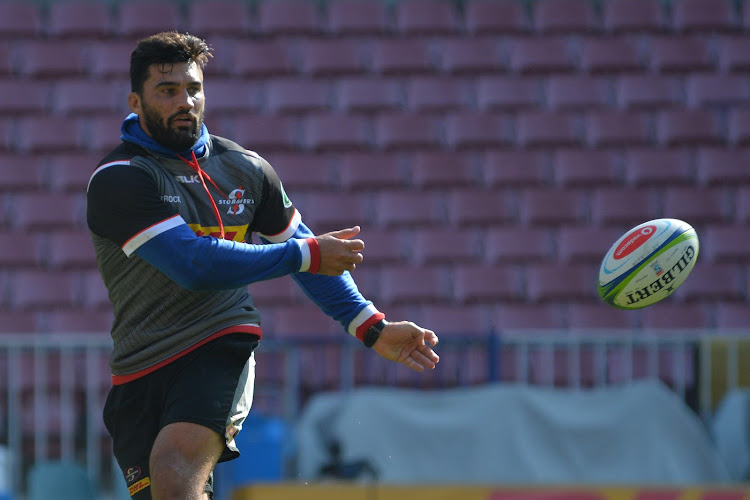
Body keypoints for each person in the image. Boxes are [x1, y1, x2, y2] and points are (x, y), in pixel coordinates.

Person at [86, 31, 439, 500]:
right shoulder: (120, 179)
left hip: (218, 342)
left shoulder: (247, 170)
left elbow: (307, 256)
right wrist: (305, 253)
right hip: (138, 367)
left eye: (193, 89)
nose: (185, 101)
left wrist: (371, 326)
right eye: (167, 91)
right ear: (136, 100)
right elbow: (193, 263)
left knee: (175, 471)